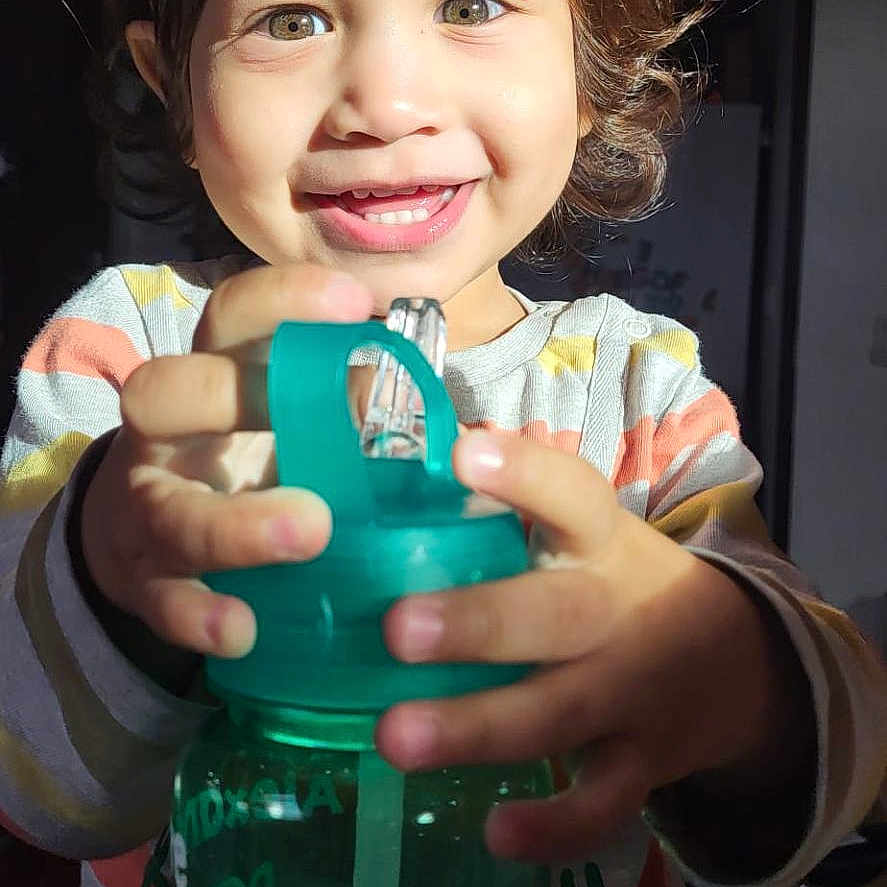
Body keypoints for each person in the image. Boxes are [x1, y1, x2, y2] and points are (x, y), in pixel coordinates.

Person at [1, 1, 885, 885]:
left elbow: (846, 765)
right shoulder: (134, 365)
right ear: (174, 89)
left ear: (591, 72)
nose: (386, 106)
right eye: (292, 21)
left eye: (471, 6)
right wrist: (113, 564)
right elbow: (36, 789)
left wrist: (720, 667)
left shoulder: (639, 395)